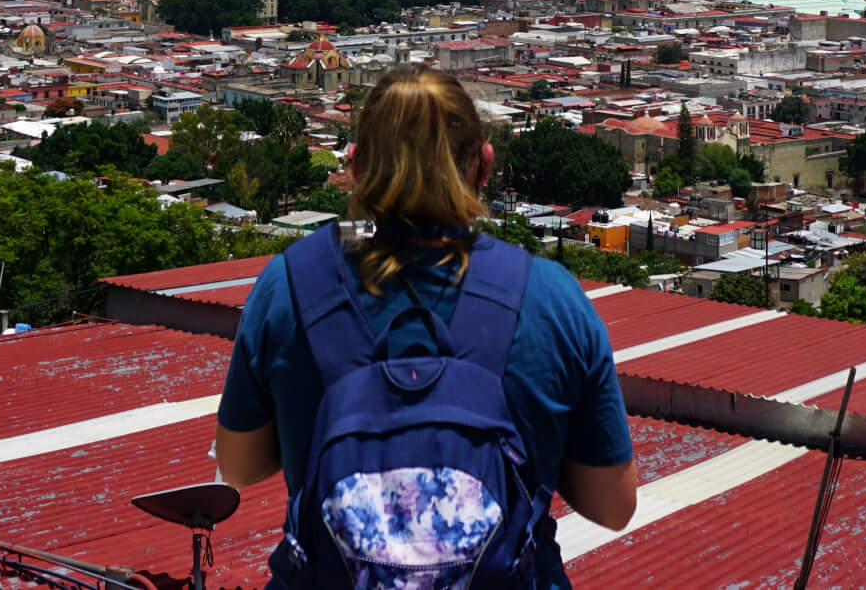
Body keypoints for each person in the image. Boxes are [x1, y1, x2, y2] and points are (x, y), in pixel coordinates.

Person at [214, 65, 636, 585]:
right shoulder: (550, 297)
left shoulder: (289, 284)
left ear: (354, 166)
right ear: (484, 165)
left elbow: (237, 466)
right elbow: (613, 507)